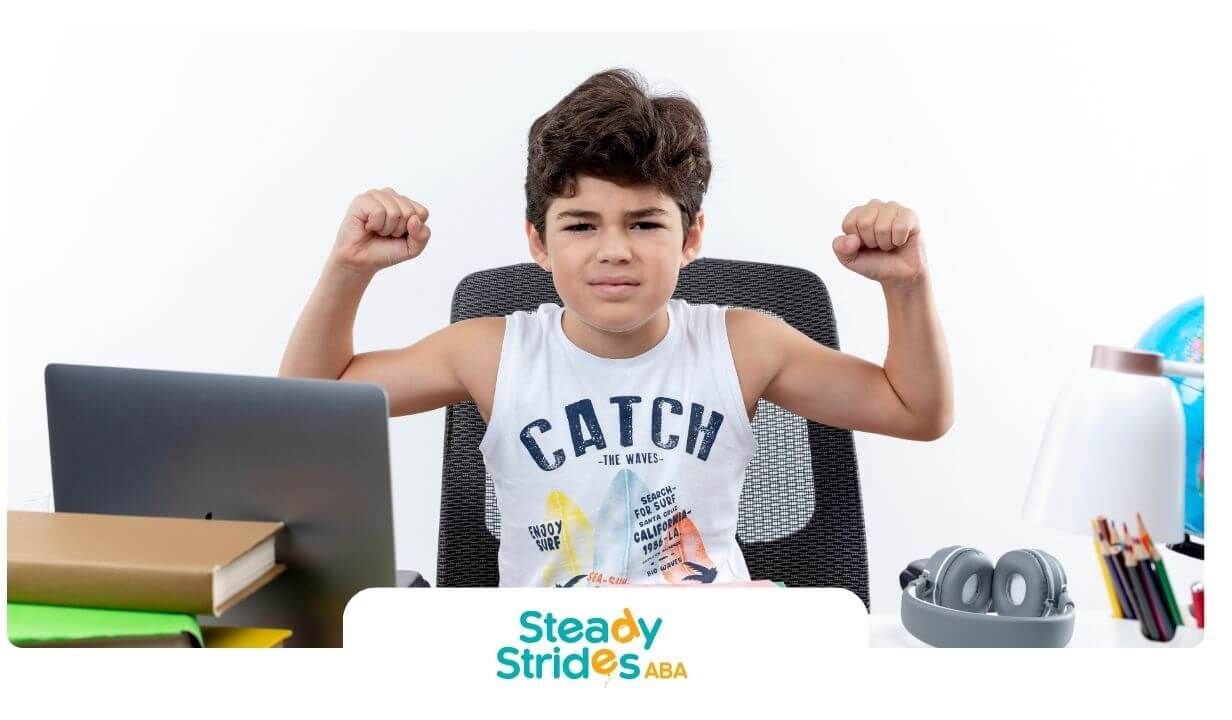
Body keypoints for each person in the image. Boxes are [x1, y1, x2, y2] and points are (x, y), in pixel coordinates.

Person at [279, 68, 953, 588]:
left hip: (707, 659)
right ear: (537, 243)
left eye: (644, 223)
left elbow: (916, 410)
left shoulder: (745, 345)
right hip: (545, 664)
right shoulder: (491, 353)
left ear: (691, 237)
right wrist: (349, 268)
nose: (614, 250)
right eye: (580, 225)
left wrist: (907, 286)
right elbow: (309, 404)